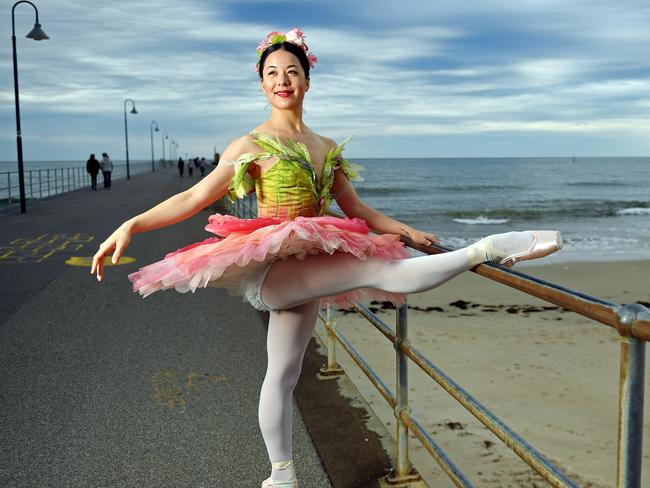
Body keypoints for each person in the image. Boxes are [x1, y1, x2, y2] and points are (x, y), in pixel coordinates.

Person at [91, 28, 562, 488]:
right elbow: (194, 197)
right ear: (261, 83)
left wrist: (407, 230)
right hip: (277, 266)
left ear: (307, 80)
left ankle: (282, 476)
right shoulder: (250, 145)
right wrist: (130, 224)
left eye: (291, 71)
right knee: (385, 273)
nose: (282, 80)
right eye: (272, 72)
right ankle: (490, 247)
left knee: (283, 373)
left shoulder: (326, 148)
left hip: (311, 262)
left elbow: (355, 210)